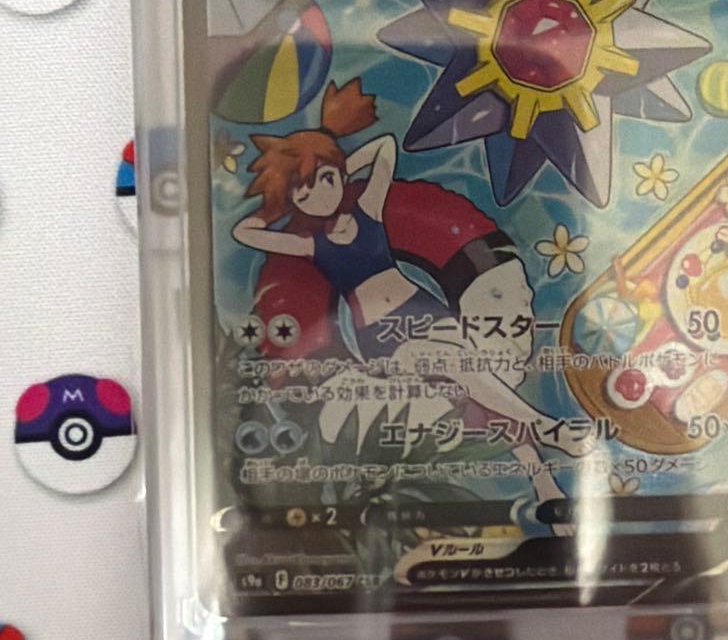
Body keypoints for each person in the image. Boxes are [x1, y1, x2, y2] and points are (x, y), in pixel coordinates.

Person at [233, 78, 590, 488]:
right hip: (381, 335)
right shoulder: (312, 245)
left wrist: (338, 166)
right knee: (457, 367)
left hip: (425, 312)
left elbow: (385, 147)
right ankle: (549, 429)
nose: (319, 195)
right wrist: (275, 204)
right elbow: (245, 233)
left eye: (325, 180)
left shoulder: (368, 210)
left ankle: (543, 483)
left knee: (478, 387)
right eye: (304, 193)